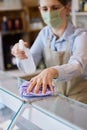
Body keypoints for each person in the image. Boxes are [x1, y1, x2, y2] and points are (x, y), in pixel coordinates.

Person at [11, 0, 87, 103]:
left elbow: (77, 66)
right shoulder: (44, 34)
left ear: (67, 8)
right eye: (45, 9)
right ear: (40, 10)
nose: (49, 13)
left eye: (55, 8)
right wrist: (22, 54)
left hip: (81, 99)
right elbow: (30, 66)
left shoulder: (81, 35)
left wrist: (52, 71)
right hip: (57, 98)